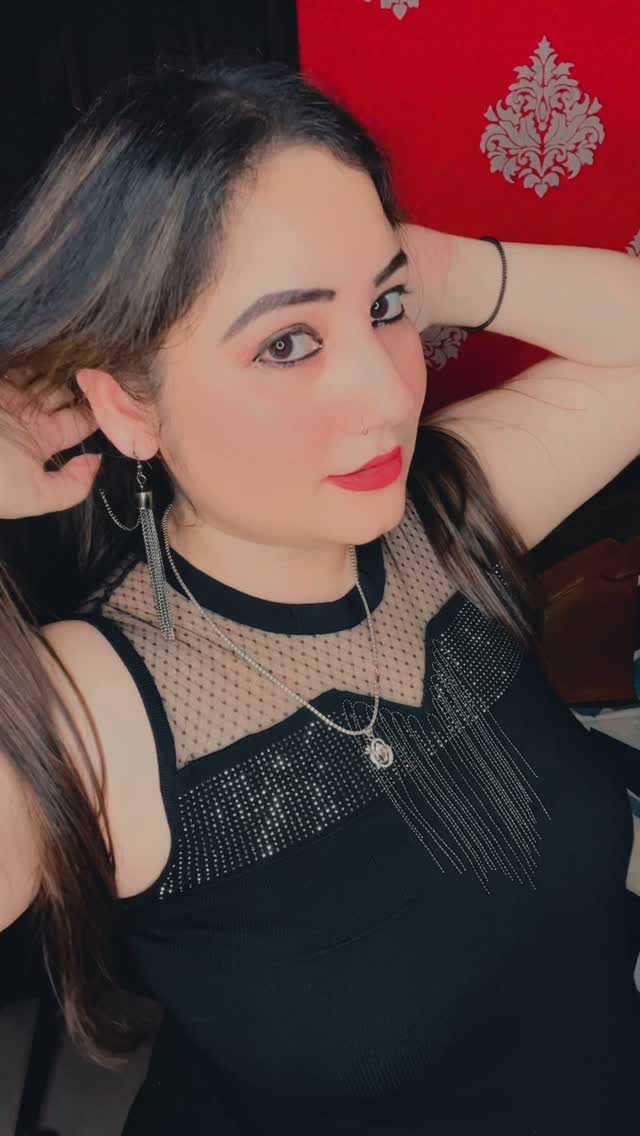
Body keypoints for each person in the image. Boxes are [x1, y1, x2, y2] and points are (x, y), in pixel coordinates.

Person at [1, 62, 640, 1135]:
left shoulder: (441, 514)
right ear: (127, 404)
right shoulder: (92, 714)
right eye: (287, 342)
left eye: (385, 312)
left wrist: (429, 268)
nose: (388, 395)